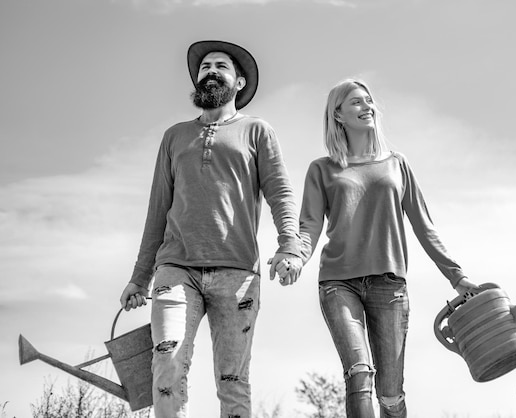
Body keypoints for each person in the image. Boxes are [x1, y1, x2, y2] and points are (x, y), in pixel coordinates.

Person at [119, 40, 302, 418]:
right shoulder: (174, 136)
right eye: (204, 66)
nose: (210, 70)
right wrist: (139, 278)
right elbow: (157, 211)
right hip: (176, 269)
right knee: (167, 364)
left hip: (237, 274)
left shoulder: (257, 131)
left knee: (233, 380)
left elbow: (280, 193)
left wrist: (290, 246)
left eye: (220, 65)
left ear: (238, 83)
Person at [280, 79, 479, 418]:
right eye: (356, 102)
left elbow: (424, 226)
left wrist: (457, 278)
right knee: (358, 374)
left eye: (369, 101)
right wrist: (295, 257)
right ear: (338, 115)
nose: (367, 106)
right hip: (338, 284)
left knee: (390, 395)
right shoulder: (322, 170)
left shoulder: (396, 164)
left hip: (389, 286)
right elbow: (309, 225)